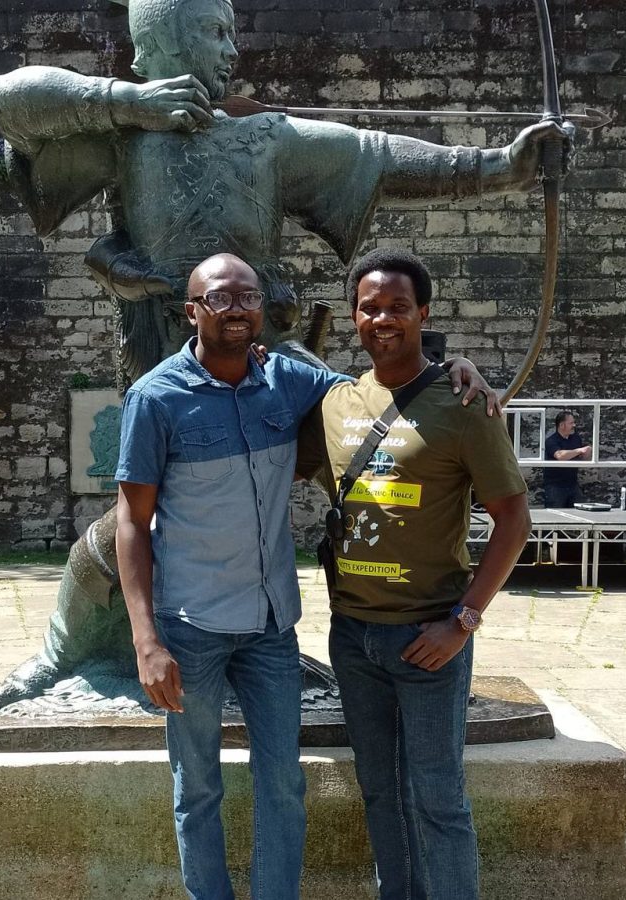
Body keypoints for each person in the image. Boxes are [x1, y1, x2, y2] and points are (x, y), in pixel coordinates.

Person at [0, 0, 574, 706]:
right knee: (141, 520)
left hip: (274, 365)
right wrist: (126, 103)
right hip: (171, 369)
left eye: (231, 32)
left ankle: (393, 635)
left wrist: (505, 165)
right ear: (157, 41)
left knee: (377, 454)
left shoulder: (266, 137)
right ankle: (65, 649)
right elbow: (8, 99)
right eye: (209, 30)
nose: (228, 48)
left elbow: (381, 157)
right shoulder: (124, 130)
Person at [113, 252, 496, 900]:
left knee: (284, 784)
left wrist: (454, 369)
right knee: (197, 784)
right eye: (220, 298)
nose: (236, 308)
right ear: (191, 311)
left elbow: (380, 393)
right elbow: (131, 523)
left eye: (247, 296)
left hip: (269, 629)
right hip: (191, 626)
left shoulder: (290, 381)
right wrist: (146, 640)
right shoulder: (154, 399)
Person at [296, 249, 532, 900]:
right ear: (354, 317)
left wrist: (465, 621)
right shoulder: (336, 403)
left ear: (423, 314)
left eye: (398, 307)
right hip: (354, 638)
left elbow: (513, 521)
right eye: (370, 307)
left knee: (438, 798)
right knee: (379, 793)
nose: (383, 318)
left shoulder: (462, 402)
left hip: (430, 638)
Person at [543, 410, 591, 507]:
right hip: (555, 486)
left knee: (580, 512)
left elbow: (581, 457)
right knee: (555, 514)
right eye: (571, 423)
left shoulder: (576, 438)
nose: (574, 425)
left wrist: (587, 452)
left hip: (572, 484)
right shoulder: (551, 441)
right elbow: (560, 456)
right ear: (561, 425)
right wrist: (579, 450)